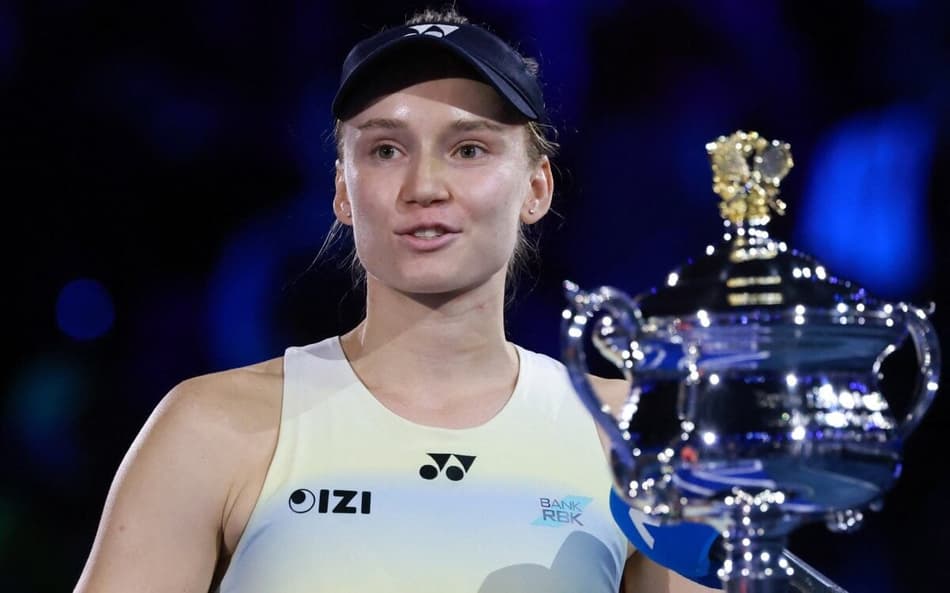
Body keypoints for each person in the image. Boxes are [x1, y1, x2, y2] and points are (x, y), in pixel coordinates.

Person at [74, 7, 719, 593]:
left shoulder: (633, 436)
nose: (424, 185)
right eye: (386, 149)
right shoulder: (208, 428)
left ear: (537, 187)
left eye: (468, 149)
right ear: (343, 191)